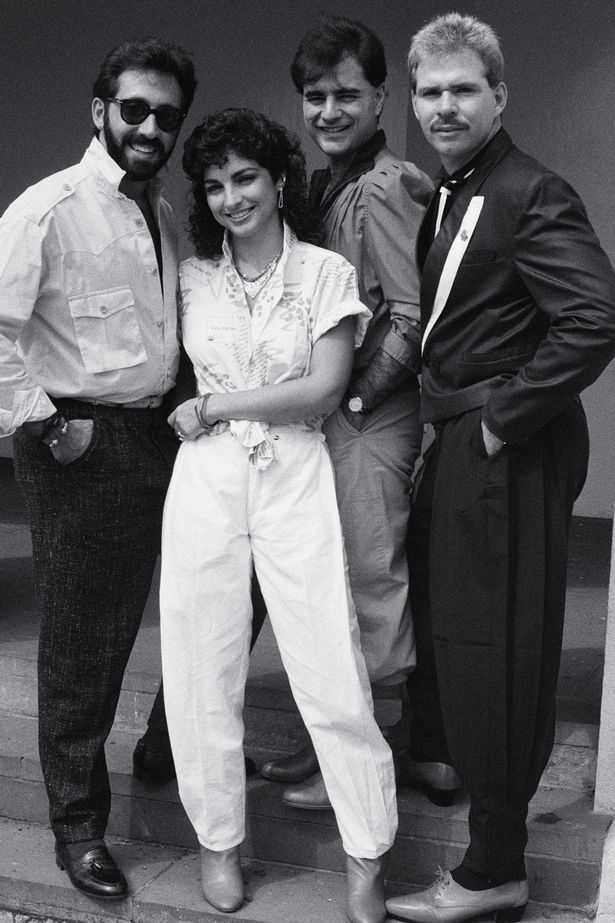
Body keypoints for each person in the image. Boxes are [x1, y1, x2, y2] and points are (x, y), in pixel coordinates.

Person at [386, 13, 615, 923]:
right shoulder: (453, 190)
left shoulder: (528, 190)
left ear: (499, 97)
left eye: (462, 90)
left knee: (497, 655)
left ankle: (493, 870)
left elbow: (593, 319)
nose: (444, 106)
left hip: (504, 448)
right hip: (467, 443)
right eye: (430, 91)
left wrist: (498, 423)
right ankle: (489, 851)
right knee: (464, 646)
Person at [159, 107, 397, 923]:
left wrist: (215, 402)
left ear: (277, 179)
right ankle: (219, 841)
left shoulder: (326, 273)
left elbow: (322, 389)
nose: (231, 197)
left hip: (294, 470)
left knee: (328, 660)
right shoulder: (191, 276)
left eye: (246, 177)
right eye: (215, 183)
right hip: (206, 481)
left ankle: (368, 852)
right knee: (202, 664)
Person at [0, 38, 196, 898]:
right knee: (84, 644)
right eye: (135, 109)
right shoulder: (46, 209)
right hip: (79, 444)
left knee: (219, 590)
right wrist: (48, 426)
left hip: (160, 432)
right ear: (101, 112)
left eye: (166, 115)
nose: (151, 126)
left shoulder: (160, 212)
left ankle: (166, 741)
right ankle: (77, 826)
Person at [260, 13, 461, 810]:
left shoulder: (383, 185)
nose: (328, 111)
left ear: (383, 98)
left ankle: (363, 764)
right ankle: (331, 744)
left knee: (371, 579)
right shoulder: (327, 184)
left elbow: (412, 319)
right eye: (314, 96)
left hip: (370, 419)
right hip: (340, 418)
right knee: (333, 580)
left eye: (347, 94)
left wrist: (345, 397)